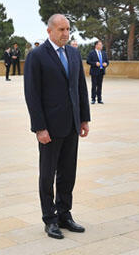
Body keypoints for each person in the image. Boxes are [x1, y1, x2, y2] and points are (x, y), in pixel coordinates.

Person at [24, 13, 90, 240]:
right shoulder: (37, 56)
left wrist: (84, 119)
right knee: (47, 175)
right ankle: (49, 219)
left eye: (68, 29)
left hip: (71, 124)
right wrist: (39, 128)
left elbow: (80, 87)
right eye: (61, 30)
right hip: (49, 128)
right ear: (49, 31)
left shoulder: (73, 53)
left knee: (68, 173)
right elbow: (32, 95)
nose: (65, 33)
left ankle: (64, 214)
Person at [86, 40, 108, 104]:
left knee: (100, 86)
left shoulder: (104, 53)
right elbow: (88, 61)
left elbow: (107, 61)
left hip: (101, 71)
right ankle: (93, 99)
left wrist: (106, 64)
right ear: (96, 45)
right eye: (100, 45)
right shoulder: (91, 53)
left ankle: (99, 99)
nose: (101, 46)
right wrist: (95, 63)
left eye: (101, 45)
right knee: (94, 85)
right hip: (94, 71)